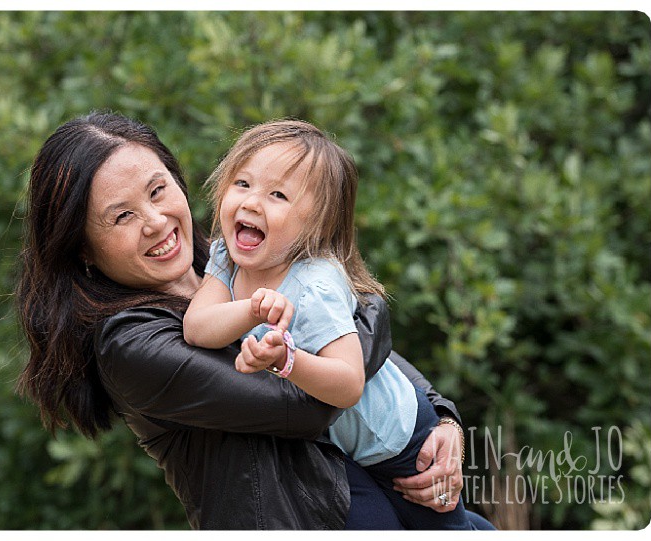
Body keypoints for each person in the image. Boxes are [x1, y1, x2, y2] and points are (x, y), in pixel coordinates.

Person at [15, 111, 490, 530]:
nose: (156, 221)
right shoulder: (129, 343)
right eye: (122, 217)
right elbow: (303, 404)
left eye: (158, 191)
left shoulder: (231, 260)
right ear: (82, 249)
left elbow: (338, 333)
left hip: (374, 477)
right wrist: (365, 308)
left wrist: (442, 420)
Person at [183, 119, 473, 529]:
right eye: (242, 184)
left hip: (399, 439)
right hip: (338, 449)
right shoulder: (227, 258)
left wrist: (286, 360)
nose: (251, 203)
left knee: (446, 529)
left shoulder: (314, 285)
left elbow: (349, 383)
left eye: (278, 195)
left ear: (316, 224)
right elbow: (197, 328)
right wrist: (252, 311)